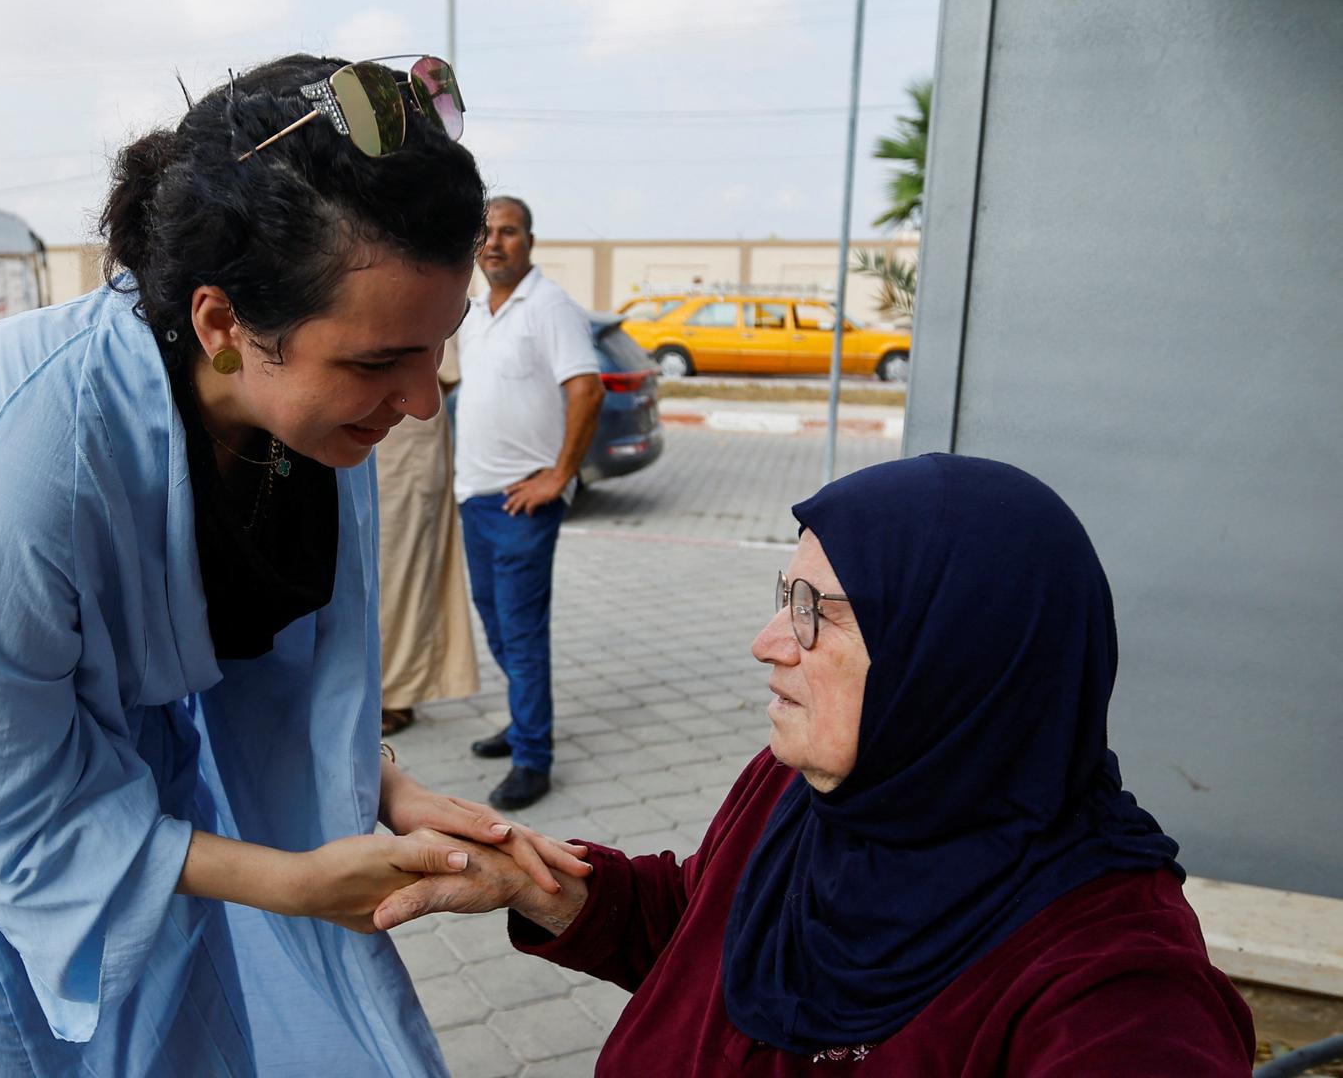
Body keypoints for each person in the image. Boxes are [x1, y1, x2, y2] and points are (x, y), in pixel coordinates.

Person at [0, 54, 588, 1077]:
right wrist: (294, 882)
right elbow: (9, 805)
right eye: (375, 362)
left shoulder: (315, 423)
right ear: (223, 322)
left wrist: (378, 786)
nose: (419, 403)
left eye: (433, 351)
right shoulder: (25, 453)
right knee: (2, 1050)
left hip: (138, 756)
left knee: (179, 1031)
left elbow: (293, 683)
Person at [374, 455, 1257, 1076]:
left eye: (817, 615)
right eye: (782, 598)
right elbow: (703, 926)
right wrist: (539, 882)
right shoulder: (807, 786)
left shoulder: (1115, 994)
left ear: (955, 658)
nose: (766, 644)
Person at [454, 195, 605, 810]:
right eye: (485, 232)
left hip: (524, 505)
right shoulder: (473, 314)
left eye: (508, 231)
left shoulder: (550, 307)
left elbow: (588, 392)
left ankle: (534, 758)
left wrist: (558, 477)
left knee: (520, 632)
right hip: (476, 500)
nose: (494, 242)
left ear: (530, 240)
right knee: (495, 622)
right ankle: (523, 722)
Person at [374, 340, 479, 735]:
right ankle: (374, 685)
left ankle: (399, 692)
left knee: (404, 572)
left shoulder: (423, 282)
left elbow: (445, 375)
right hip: (361, 436)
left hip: (405, 446)